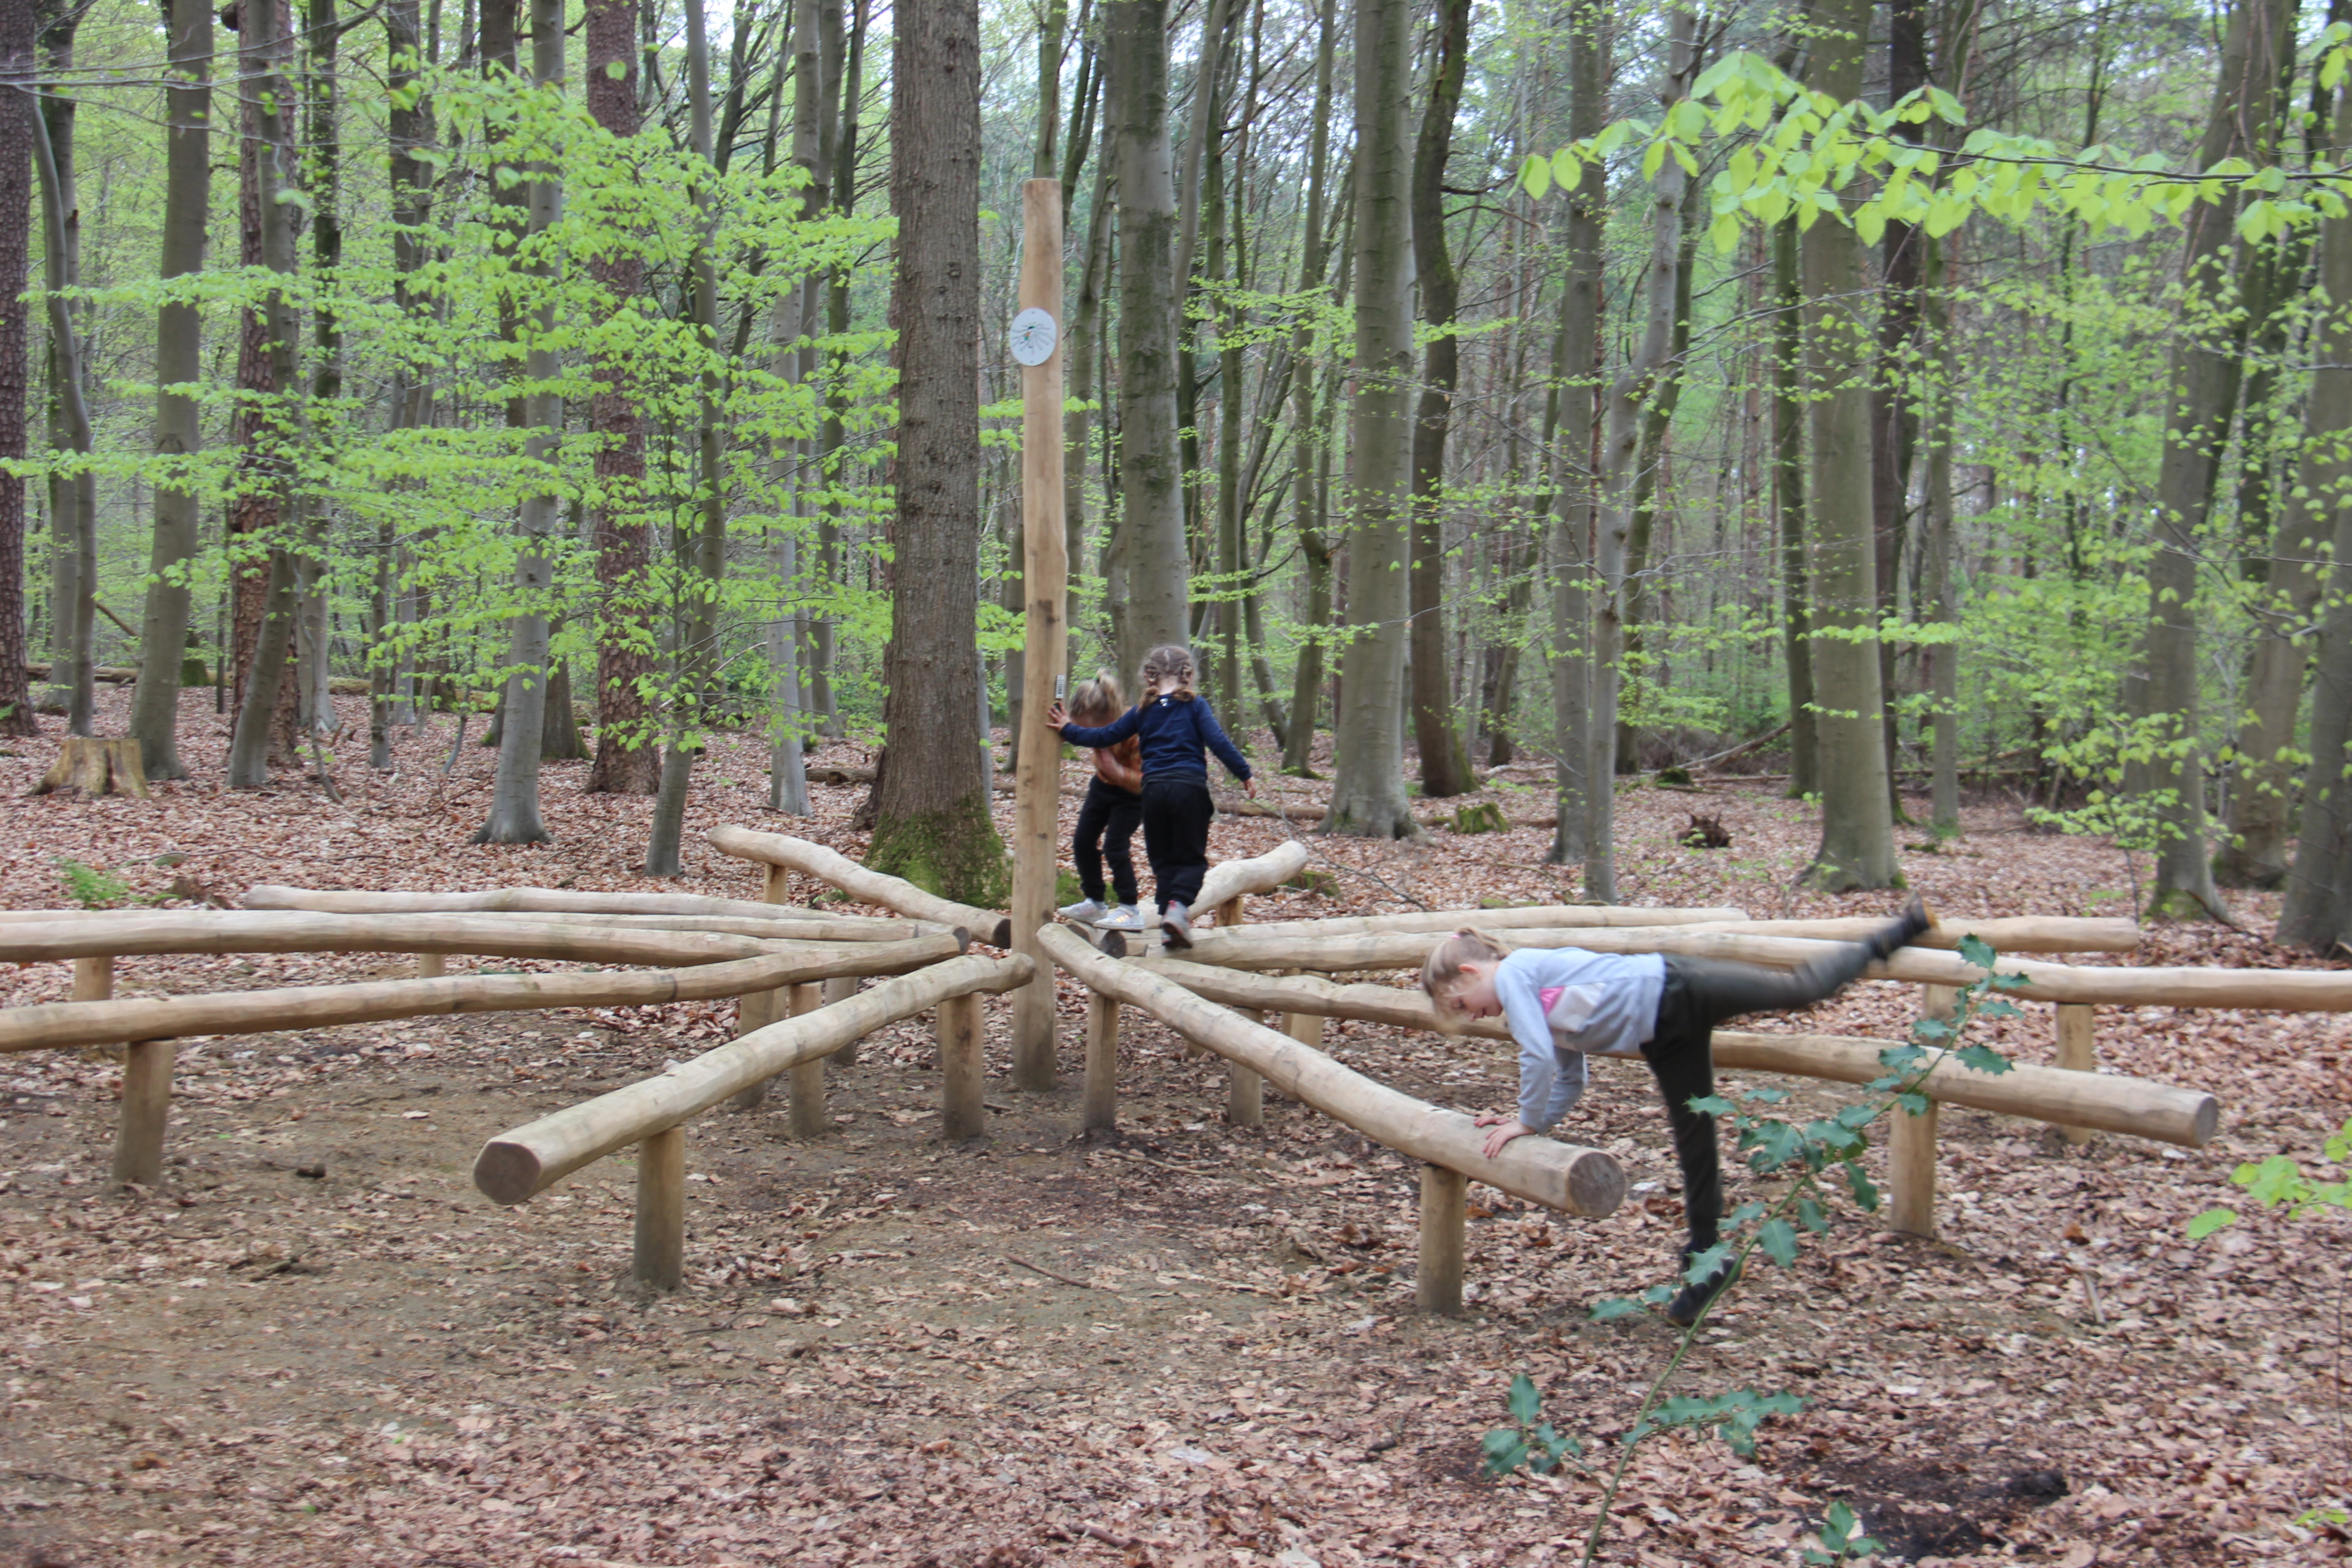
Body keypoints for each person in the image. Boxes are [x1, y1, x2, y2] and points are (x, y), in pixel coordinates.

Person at [1419, 897, 1932, 1327]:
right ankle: (1707, 1260)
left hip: (1678, 988)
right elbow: (1571, 1077)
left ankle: (1898, 931)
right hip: (1664, 1037)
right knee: (1695, 1148)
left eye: (1463, 1005)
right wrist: (1535, 1125)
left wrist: (1524, 1121)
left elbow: (1535, 1058)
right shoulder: (1525, 1005)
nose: (1473, 1016)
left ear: (1471, 970)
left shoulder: (1517, 974)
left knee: (1800, 990)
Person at [1043, 643, 1258, 949]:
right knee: (1190, 859)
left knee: (1163, 860)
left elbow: (1104, 735)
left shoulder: (1142, 711)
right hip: (1189, 789)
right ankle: (1177, 910)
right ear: (1188, 675)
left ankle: (1169, 924)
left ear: (1150, 677)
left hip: (1154, 791)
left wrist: (1068, 730)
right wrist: (1245, 773)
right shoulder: (1196, 706)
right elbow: (1218, 742)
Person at [1056, 673, 1148, 932]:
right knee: (1083, 840)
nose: (1091, 739)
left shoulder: (1137, 731)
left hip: (1132, 796)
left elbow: (1147, 781)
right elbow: (1072, 733)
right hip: (1102, 788)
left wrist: (1118, 772)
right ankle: (1095, 901)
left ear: (1111, 720)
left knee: (1115, 847)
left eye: (1095, 733)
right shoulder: (1087, 723)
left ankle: (1130, 908)